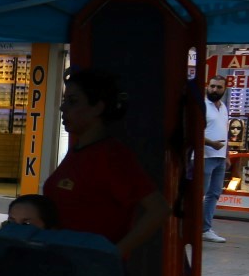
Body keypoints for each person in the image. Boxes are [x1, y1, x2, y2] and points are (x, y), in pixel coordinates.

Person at [45, 71, 167, 258]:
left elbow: (159, 209)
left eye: (73, 101)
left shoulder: (112, 156)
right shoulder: (79, 149)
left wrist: (113, 255)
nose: (63, 108)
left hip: (88, 273)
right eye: (65, 100)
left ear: (97, 108)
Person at [202, 74, 229, 243]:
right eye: (212, 86)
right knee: (199, 194)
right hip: (204, 156)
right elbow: (192, 131)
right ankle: (189, 228)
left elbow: (225, 132)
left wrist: (227, 154)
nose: (214, 89)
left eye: (219, 87)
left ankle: (205, 229)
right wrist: (211, 143)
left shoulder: (223, 107)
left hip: (219, 157)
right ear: (207, 86)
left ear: (224, 89)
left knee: (214, 194)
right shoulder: (202, 106)